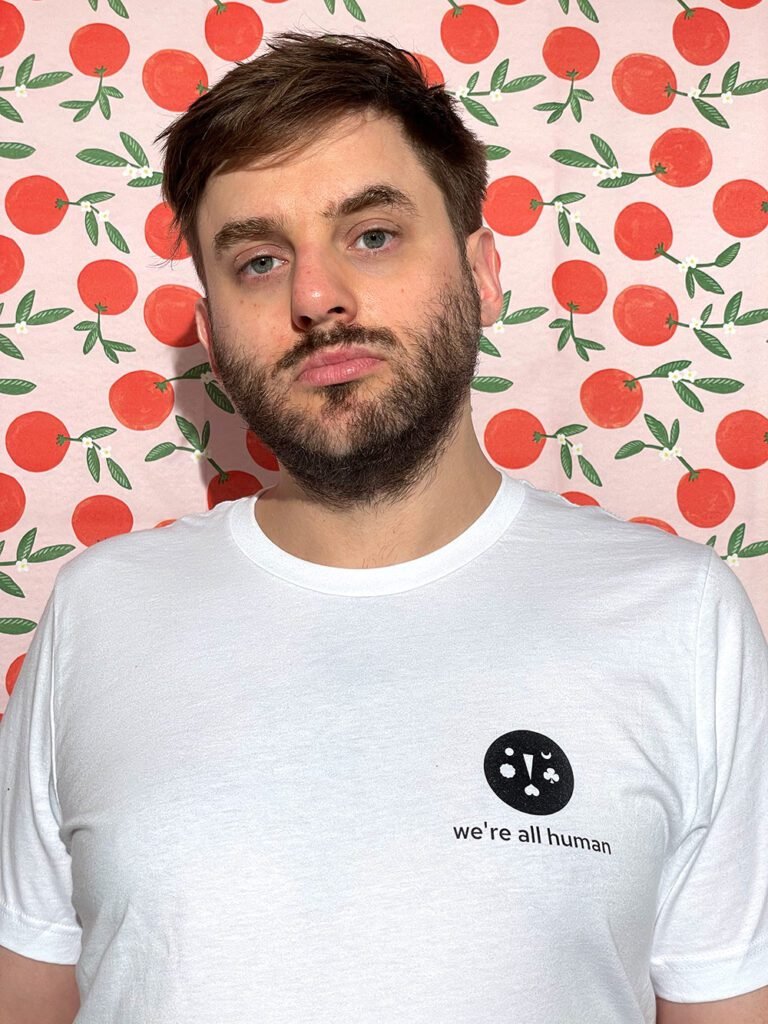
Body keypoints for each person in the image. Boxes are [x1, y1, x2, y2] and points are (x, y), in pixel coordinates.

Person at [0, 30, 766, 1024]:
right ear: (216, 338)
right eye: (261, 259)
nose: (316, 297)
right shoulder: (100, 610)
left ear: (484, 273)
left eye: (372, 234)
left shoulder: (678, 616)